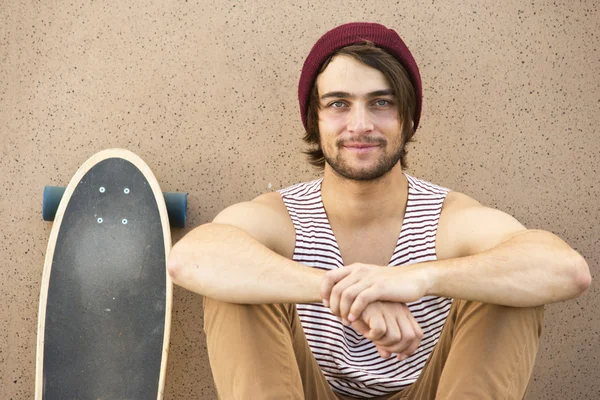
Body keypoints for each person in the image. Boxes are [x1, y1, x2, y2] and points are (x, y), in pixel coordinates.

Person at [167, 22, 591, 399]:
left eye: (381, 103)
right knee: (237, 291)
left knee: (508, 288)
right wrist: (351, 294)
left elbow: (565, 270)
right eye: (338, 103)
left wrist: (415, 278)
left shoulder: (447, 217)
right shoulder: (283, 216)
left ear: (409, 119)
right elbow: (192, 258)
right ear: (314, 120)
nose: (360, 125)